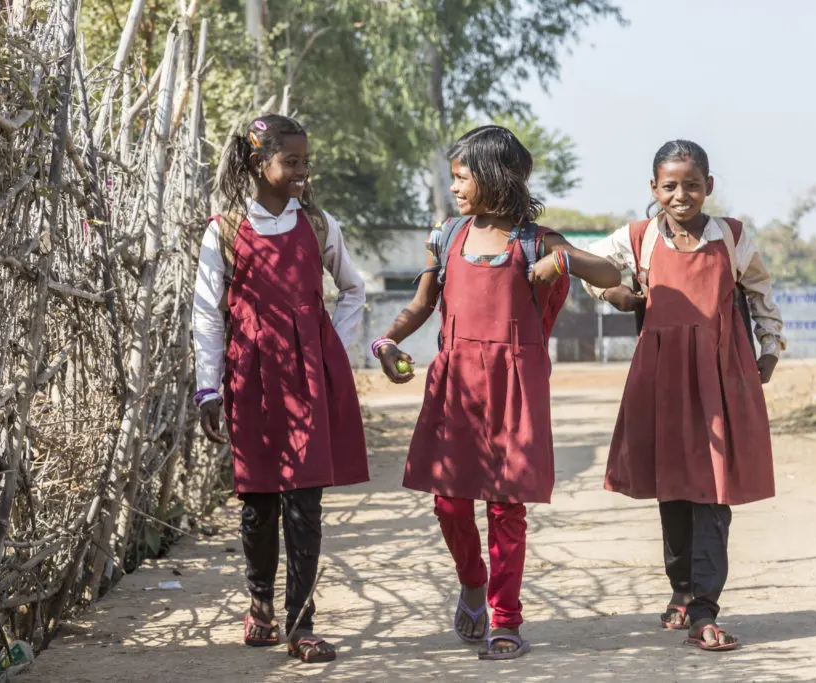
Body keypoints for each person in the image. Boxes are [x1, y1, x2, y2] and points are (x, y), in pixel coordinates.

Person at [372, 125, 622, 660]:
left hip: (515, 387)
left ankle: (505, 619)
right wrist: (386, 340)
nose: (455, 187)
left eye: (463, 177)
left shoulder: (536, 240)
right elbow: (420, 306)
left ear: (494, 177)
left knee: (507, 510)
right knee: (449, 505)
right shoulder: (447, 236)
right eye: (454, 177)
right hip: (455, 385)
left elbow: (610, 269)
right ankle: (472, 579)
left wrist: (567, 261)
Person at [584, 139, 786, 652]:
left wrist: (770, 348)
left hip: (721, 377)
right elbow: (591, 271)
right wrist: (616, 293)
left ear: (709, 187)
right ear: (654, 188)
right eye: (670, 186)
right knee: (673, 491)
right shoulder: (637, 237)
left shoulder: (732, 237)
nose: (681, 195)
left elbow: (761, 293)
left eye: (691, 185)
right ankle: (681, 591)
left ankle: (704, 610)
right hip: (662, 380)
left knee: (714, 494)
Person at [191, 114, 368, 663]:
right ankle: (261, 608)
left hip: (306, 383)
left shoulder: (317, 224)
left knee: (305, 503)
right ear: (256, 163)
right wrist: (207, 388)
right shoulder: (222, 231)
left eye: (304, 161)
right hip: (249, 379)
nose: (301, 171)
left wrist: (328, 351)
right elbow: (207, 316)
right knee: (258, 504)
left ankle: (302, 622)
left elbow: (353, 290)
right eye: (290, 161)